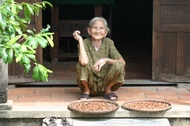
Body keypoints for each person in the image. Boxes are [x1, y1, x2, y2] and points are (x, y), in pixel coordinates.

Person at [73, 17, 126, 101]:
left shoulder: (109, 42)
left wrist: (106, 60)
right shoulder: (85, 43)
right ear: (89, 31)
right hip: (90, 80)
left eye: (101, 28)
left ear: (105, 32)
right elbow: (83, 62)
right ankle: (86, 90)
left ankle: (108, 89)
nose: (98, 31)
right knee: (81, 65)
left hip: (105, 79)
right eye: (94, 28)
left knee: (119, 65)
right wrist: (80, 40)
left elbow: (122, 62)